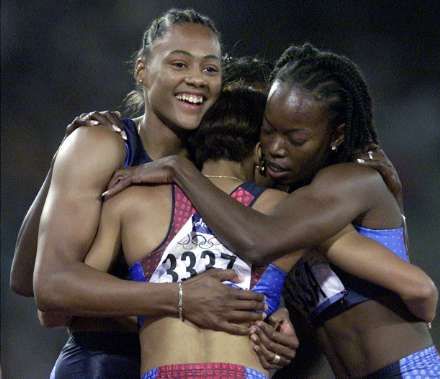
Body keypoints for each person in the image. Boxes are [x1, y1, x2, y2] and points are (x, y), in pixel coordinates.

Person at [103, 43, 440, 378]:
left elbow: (422, 291)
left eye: (295, 139)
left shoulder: (344, 183)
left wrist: (181, 170)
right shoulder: (288, 205)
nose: (276, 149)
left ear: (336, 134)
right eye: (268, 132)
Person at [11, 9, 274, 379]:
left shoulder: (213, 163)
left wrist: (275, 323)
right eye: (179, 64)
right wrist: (180, 300)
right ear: (142, 71)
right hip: (103, 365)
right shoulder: (104, 144)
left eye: (210, 69)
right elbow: (46, 288)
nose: (196, 79)